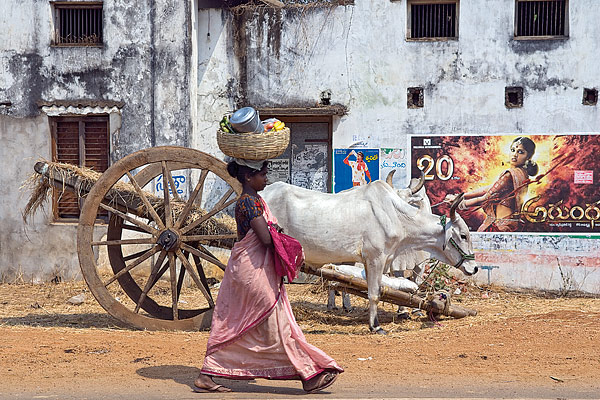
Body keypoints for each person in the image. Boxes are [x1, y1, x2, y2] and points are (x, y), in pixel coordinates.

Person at [194, 158, 343, 393]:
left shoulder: (255, 200)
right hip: (252, 272)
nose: (267, 179)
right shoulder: (249, 203)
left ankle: (210, 372)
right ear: (248, 177)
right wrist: (285, 241)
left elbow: (268, 233)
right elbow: (265, 238)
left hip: (254, 269)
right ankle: (307, 373)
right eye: (263, 175)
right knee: (276, 323)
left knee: (243, 325)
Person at [444, 136, 539, 232]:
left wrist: (459, 204)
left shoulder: (510, 175)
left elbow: (486, 198)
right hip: (510, 223)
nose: (514, 154)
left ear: (529, 156)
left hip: (501, 226)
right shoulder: (522, 173)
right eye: (513, 150)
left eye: (520, 152)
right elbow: (489, 188)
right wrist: (462, 196)